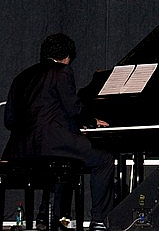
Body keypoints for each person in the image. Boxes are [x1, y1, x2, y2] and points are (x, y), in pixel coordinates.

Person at [2, 33, 114, 231]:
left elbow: (9, 120)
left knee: (62, 166)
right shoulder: (62, 71)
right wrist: (91, 121)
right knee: (103, 160)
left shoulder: (21, 77)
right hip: (54, 142)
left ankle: (47, 218)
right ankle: (99, 220)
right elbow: (73, 108)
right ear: (67, 57)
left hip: (19, 150)